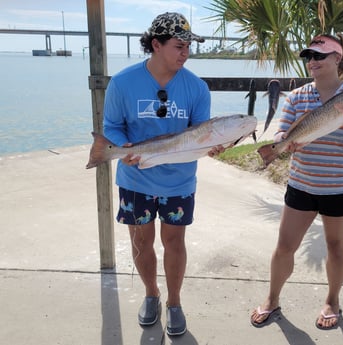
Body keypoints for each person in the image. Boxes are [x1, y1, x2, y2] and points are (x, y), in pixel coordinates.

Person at [103, 12, 223, 335]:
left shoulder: (197, 88)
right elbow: (111, 127)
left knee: (174, 241)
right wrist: (120, 145)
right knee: (142, 242)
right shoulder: (122, 83)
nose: (186, 53)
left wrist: (213, 145)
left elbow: (199, 134)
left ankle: (174, 301)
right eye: (179, 46)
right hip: (135, 179)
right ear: (156, 44)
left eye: (188, 47)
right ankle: (151, 294)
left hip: (179, 182)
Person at [250, 33, 343, 330]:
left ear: (338, 58)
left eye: (320, 55)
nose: (313, 61)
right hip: (302, 185)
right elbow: (282, 133)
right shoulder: (297, 96)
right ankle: (272, 298)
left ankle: (333, 300)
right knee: (284, 247)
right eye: (309, 56)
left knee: (336, 247)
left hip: (341, 186)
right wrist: (283, 143)